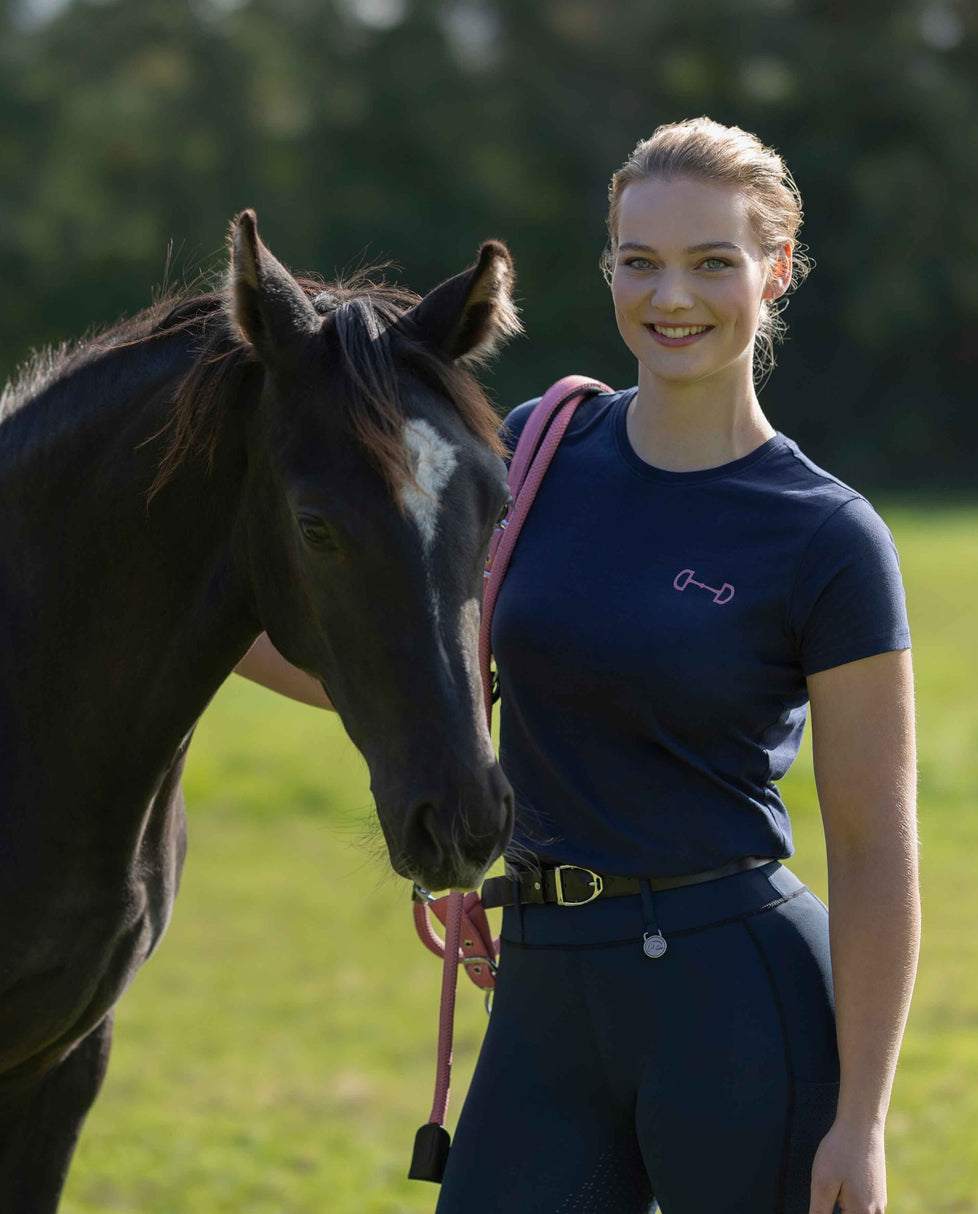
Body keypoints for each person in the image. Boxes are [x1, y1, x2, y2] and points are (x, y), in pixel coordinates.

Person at [238, 117, 919, 1214]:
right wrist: (192, 632)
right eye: (638, 261)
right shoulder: (535, 452)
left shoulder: (827, 535)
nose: (670, 297)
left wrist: (861, 1118)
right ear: (608, 265)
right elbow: (423, 672)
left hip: (734, 995)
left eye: (711, 262)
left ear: (774, 272)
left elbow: (874, 847)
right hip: (544, 985)